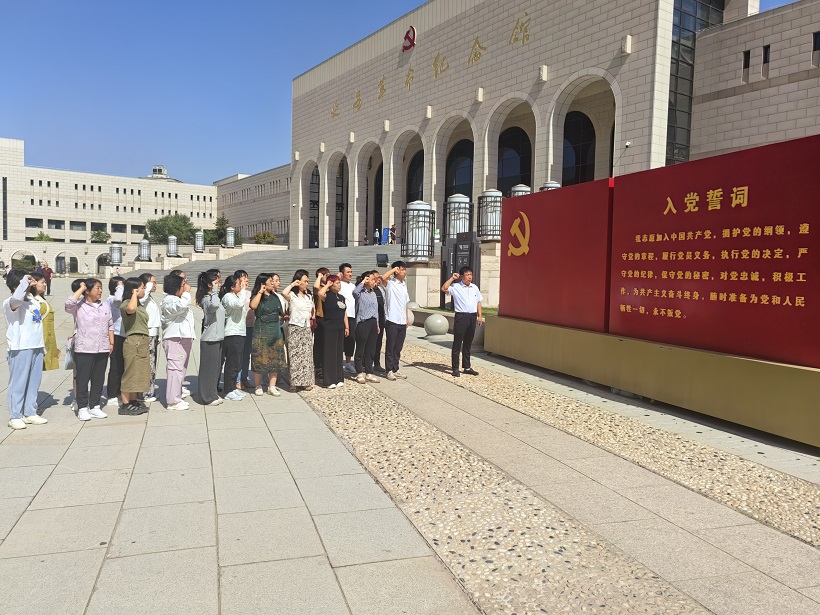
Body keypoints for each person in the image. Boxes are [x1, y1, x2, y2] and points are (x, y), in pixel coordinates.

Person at [4, 271, 49, 429]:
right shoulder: (10, 302)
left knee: (33, 382)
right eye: (26, 284)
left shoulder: (32, 302)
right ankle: (15, 415)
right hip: (20, 347)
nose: (30, 286)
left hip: (36, 346)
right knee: (18, 382)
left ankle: (30, 412)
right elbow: (17, 299)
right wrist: (24, 281)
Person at [65, 278, 113, 420]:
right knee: (83, 379)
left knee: (98, 378)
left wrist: (111, 343)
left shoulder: (104, 305)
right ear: (88, 291)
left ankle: (95, 406)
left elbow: (110, 324)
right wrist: (81, 288)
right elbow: (68, 303)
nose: (100, 291)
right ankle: (82, 407)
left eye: (101, 287)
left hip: (102, 348)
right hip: (84, 348)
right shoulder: (79, 306)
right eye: (97, 288)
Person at [161, 272, 195, 410]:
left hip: (183, 338)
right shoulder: (169, 300)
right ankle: (173, 401)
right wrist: (186, 293)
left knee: (180, 369)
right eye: (182, 285)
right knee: (175, 369)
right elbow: (181, 306)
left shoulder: (176, 298)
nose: (185, 287)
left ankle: (177, 395)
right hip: (175, 339)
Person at [441, 266, 483, 378]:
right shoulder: (456, 287)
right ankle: (455, 368)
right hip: (461, 317)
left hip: (472, 316)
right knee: (457, 343)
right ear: (462, 276)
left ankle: (467, 367)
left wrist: (480, 316)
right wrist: (452, 278)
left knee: (468, 343)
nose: (470, 277)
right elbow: (444, 288)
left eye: (471, 275)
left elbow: (478, 301)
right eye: (467, 275)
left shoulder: (474, 287)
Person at [249, 273, 286, 396]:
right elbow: (253, 306)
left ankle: (272, 386)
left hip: (275, 329)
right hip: (261, 329)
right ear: (263, 283)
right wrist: (260, 292)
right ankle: (258, 385)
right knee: (259, 357)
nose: (272, 283)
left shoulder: (275, 296)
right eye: (270, 281)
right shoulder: (257, 295)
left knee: (275, 357)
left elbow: (280, 313)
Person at [119, 277, 150, 415]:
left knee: (138, 372)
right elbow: (130, 309)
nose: (144, 290)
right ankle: (125, 404)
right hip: (134, 341)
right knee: (130, 372)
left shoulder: (139, 305)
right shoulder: (126, 303)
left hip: (142, 341)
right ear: (134, 290)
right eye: (142, 288)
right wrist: (134, 294)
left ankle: (133, 400)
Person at [282, 269, 315, 392]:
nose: (306, 283)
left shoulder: (309, 296)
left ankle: (306, 381)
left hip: (306, 328)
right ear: (298, 281)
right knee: (295, 355)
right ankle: (294, 382)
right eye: (304, 281)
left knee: (306, 355)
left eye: (307, 281)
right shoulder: (293, 295)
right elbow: (284, 293)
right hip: (295, 327)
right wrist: (292, 284)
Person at [196, 270, 224, 406]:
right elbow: (214, 306)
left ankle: (212, 393)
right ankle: (206, 397)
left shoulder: (213, 297)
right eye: (216, 283)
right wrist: (215, 292)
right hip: (210, 339)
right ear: (209, 285)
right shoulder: (207, 299)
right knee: (208, 370)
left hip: (218, 338)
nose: (219, 285)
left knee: (215, 370)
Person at [317, 274, 348, 388]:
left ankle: (339, 377)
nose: (339, 285)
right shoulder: (327, 295)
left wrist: (347, 326)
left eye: (339, 283)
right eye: (337, 283)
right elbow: (320, 293)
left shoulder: (341, 297)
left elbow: (344, 313)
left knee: (339, 353)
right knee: (330, 353)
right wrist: (327, 285)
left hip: (340, 327)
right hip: (329, 327)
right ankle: (329, 380)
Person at [221, 274, 249, 401]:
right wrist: (243, 291)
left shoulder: (236, 296)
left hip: (240, 332)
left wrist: (241, 292)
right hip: (232, 333)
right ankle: (228, 390)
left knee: (237, 363)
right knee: (232, 363)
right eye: (238, 283)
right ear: (232, 287)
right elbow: (238, 305)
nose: (241, 285)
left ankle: (232, 388)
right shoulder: (228, 297)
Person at [381, 261, 410, 380]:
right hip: (392, 319)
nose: (404, 272)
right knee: (391, 346)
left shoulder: (404, 285)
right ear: (397, 271)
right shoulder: (390, 284)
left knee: (398, 347)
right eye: (402, 270)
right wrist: (393, 269)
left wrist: (406, 318)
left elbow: (405, 303)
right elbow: (383, 278)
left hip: (402, 320)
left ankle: (395, 368)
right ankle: (388, 370)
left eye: (405, 270)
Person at [352, 271, 381, 384]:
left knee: (371, 349)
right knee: (361, 348)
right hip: (363, 322)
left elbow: (376, 310)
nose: (374, 281)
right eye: (372, 279)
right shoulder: (360, 292)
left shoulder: (373, 293)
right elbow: (354, 293)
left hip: (373, 322)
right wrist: (363, 281)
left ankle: (369, 372)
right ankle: (359, 372)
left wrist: (377, 324)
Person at [30, 272, 60, 371]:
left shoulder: (40, 300)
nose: (45, 284)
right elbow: (35, 324)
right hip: (39, 344)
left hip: (46, 342)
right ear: (34, 284)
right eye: (42, 282)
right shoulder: (34, 302)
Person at [138, 272, 161, 402]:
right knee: (148, 364)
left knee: (152, 363)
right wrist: (147, 287)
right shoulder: (143, 297)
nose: (155, 285)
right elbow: (141, 299)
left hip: (153, 334)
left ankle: (149, 391)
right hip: (147, 334)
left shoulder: (149, 298)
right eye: (153, 282)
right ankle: (145, 393)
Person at [105, 276, 126, 407]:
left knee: (122, 365)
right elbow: (118, 299)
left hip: (123, 334)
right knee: (115, 366)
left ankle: (119, 391)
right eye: (120, 286)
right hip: (116, 334)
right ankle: (112, 394)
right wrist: (120, 286)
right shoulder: (111, 299)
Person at [234, 269, 254, 391]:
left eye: (247, 277)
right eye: (243, 277)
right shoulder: (235, 293)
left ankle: (244, 378)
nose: (246, 280)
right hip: (239, 327)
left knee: (247, 355)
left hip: (250, 326)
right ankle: (237, 379)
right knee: (239, 354)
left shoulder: (250, 293)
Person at [338, 263, 357, 374]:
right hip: (342, 316)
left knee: (351, 340)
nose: (350, 274)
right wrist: (337, 277)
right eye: (348, 272)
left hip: (352, 316)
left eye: (351, 272)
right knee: (341, 340)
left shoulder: (353, 286)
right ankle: (339, 362)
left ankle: (348, 362)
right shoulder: (339, 284)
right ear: (342, 273)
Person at [312, 267, 330, 381]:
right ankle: (318, 367)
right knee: (319, 343)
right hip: (320, 317)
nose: (328, 276)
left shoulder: (329, 287)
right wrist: (319, 276)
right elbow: (315, 288)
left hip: (329, 317)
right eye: (326, 275)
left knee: (327, 344)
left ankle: (326, 366)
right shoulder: (319, 287)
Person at [372, 272, 386, 373]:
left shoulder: (381, 289)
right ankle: (365, 363)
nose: (379, 280)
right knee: (369, 342)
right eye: (376, 278)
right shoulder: (368, 290)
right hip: (371, 319)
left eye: (379, 278)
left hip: (381, 319)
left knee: (378, 342)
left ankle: (376, 363)